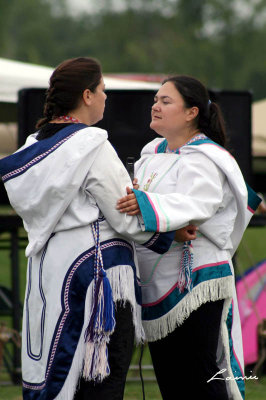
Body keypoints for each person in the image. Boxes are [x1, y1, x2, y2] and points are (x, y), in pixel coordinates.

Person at [0, 58, 195, 400]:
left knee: (58, 371)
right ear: (87, 95)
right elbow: (125, 214)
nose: (106, 97)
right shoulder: (91, 144)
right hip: (97, 278)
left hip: (48, 273)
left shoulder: (31, 148)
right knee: (100, 379)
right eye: (103, 90)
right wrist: (169, 229)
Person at [117, 75, 262, 400]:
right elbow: (135, 195)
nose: (155, 105)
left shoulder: (207, 157)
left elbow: (199, 204)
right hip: (156, 278)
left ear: (191, 112)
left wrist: (144, 203)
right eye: (155, 99)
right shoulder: (152, 151)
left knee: (199, 379)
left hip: (195, 280)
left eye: (165, 101)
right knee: (171, 381)